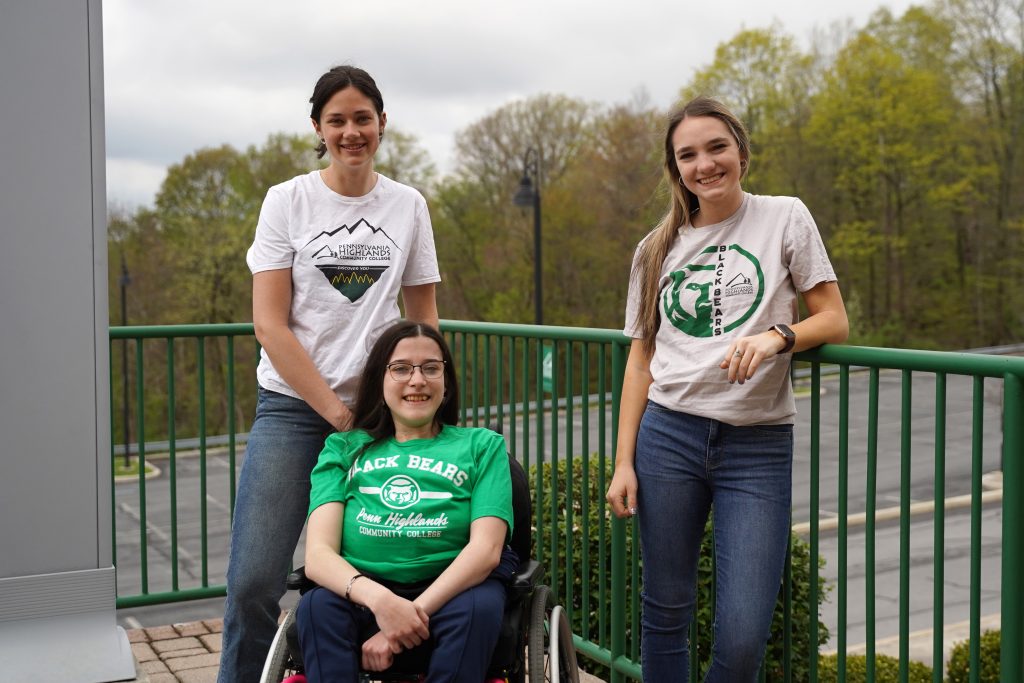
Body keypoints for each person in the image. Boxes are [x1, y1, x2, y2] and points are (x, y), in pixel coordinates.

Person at [606, 96, 849, 682]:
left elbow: (834, 320)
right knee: (665, 613)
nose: (705, 164)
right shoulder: (654, 249)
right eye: (687, 155)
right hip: (667, 437)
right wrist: (623, 463)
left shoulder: (784, 216)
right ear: (676, 170)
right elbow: (641, 360)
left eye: (716, 147)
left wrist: (776, 337)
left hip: (758, 446)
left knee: (742, 636)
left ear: (741, 151)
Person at [219, 65, 441, 683]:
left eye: (362, 118)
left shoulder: (407, 205)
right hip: (294, 410)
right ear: (317, 127)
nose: (351, 132)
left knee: (386, 565)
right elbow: (270, 325)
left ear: (381, 123)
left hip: (384, 414)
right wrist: (339, 416)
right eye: (337, 120)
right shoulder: (287, 201)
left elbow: (422, 317)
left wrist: (425, 402)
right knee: (255, 581)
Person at [295, 320, 516, 682]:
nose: (417, 380)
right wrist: (383, 604)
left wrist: (408, 614)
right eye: (401, 369)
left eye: (431, 368)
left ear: (446, 384)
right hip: (363, 590)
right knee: (316, 608)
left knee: (481, 608)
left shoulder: (482, 446)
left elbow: (486, 550)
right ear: (380, 384)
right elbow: (318, 556)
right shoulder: (344, 449)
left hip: (453, 589)